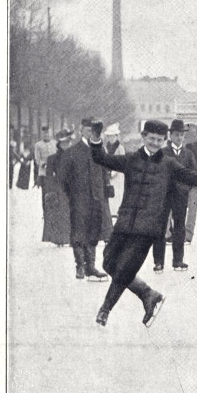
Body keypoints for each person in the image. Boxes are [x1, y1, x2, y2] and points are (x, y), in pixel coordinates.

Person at [89, 119, 197, 327]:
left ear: (164, 140)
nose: (155, 143)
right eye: (151, 139)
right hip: (124, 223)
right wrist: (95, 137)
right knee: (109, 263)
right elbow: (100, 157)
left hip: (148, 228)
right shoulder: (130, 160)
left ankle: (105, 309)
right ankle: (148, 294)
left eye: (159, 140)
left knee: (126, 269)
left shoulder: (169, 164)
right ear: (144, 137)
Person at [60, 119, 112, 281]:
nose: (92, 134)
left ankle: (91, 266)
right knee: (78, 232)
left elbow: (104, 172)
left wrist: (104, 191)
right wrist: (73, 195)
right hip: (79, 199)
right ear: (81, 130)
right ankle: (80, 266)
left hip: (97, 198)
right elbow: (63, 178)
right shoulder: (72, 151)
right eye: (89, 131)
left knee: (94, 231)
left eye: (94, 132)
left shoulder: (100, 149)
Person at [152, 119, 197, 272]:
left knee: (179, 227)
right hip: (163, 196)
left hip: (180, 196)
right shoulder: (161, 153)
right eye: (176, 135)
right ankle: (158, 262)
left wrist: (185, 188)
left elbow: (193, 175)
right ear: (170, 136)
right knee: (160, 227)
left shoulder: (188, 154)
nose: (179, 138)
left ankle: (178, 261)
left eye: (182, 135)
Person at [42, 129, 74, 246]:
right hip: (59, 189)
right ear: (59, 144)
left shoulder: (75, 156)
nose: (67, 145)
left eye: (68, 142)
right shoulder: (53, 158)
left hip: (74, 188)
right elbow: (49, 176)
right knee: (60, 214)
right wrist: (50, 191)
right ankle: (60, 238)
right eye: (64, 143)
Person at [102, 122, 126, 219]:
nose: (110, 139)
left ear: (116, 136)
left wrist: (113, 172)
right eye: (109, 137)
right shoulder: (105, 148)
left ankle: (116, 215)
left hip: (117, 176)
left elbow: (121, 162)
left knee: (117, 196)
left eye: (112, 136)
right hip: (107, 176)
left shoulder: (120, 148)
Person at [34, 126, 58, 213]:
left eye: (48, 133)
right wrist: (42, 164)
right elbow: (37, 158)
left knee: (55, 192)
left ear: (51, 133)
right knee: (45, 193)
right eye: (44, 133)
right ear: (42, 134)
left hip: (54, 172)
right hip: (44, 173)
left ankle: (54, 211)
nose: (46, 135)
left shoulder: (55, 143)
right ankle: (45, 211)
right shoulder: (38, 145)